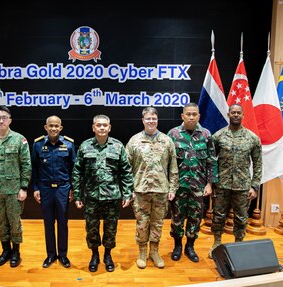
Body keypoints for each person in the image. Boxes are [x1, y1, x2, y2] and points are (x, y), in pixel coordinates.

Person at [72, 114, 133, 273]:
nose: (101, 128)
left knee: (110, 228)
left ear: (109, 127)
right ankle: (94, 255)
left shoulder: (118, 146)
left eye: (105, 125)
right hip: (91, 197)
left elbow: (126, 172)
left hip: (112, 197)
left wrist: (127, 193)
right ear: (93, 127)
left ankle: (107, 255)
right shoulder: (85, 147)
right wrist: (77, 195)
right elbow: (77, 172)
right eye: (98, 125)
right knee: (92, 228)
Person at [126, 107, 178, 269]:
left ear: (157, 120)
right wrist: (129, 190)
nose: (151, 121)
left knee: (157, 223)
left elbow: (173, 167)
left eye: (154, 119)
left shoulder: (167, 141)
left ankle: (154, 251)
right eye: (148, 119)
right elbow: (126, 168)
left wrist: (172, 188)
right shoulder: (134, 141)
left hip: (161, 190)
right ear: (143, 120)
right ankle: (142, 251)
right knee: (142, 223)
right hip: (140, 190)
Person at [208, 104, 262, 259]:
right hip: (222, 185)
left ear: (243, 115)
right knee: (218, 216)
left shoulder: (252, 138)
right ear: (228, 114)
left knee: (241, 217)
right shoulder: (218, 137)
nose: (236, 115)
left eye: (239, 112)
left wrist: (255, 186)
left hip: (243, 186)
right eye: (233, 112)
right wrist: (212, 182)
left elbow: (258, 163)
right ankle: (217, 243)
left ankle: (239, 244)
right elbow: (211, 161)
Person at [0, 106, 32, 267]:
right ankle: (5, 250)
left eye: (4, 117)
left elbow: (26, 165)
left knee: (14, 222)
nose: (1, 120)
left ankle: (16, 251)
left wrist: (24, 187)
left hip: (14, 190)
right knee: (0, 223)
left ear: (10, 120)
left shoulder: (19, 139)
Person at [167, 103, 218, 263]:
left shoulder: (206, 134)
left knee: (195, 218)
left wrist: (210, 184)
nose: (191, 117)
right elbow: (167, 163)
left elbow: (212, 160)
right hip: (179, 186)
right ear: (182, 116)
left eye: (194, 114)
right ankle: (177, 246)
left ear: (198, 116)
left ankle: (190, 246)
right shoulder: (173, 134)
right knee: (177, 218)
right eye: (188, 114)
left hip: (198, 186)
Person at [32, 115, 76, 269]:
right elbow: (35, 169)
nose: (53, 128)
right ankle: (51, 255)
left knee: (63, 223)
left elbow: (73, 169)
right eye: (50, 126)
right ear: (46, 127)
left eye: (56, 126)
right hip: (45, 189)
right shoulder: (37, 144)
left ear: (61, 128)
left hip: (63, 188)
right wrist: (36, 188)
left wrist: (73, 188)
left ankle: (63, 255)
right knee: (48, 223)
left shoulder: (69, 144)